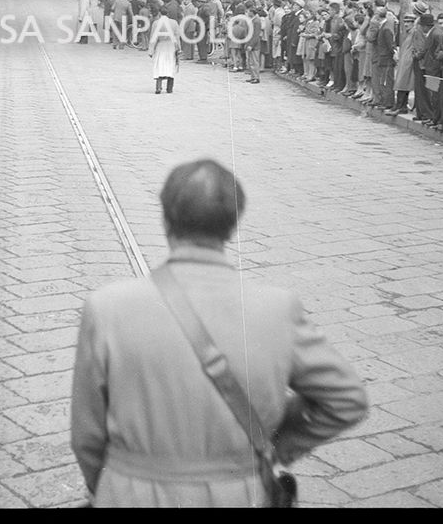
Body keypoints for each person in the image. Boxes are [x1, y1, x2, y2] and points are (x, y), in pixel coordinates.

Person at [70, 159, 368, 507]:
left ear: (165, 219)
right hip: (239, 493)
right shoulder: (277, 309)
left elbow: (86, 436)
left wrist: (113, 483)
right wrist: (271, 448)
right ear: (232, 225)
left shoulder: (106, 307)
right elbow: (346, 398)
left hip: (131, 494)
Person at [149, 6, 181, 94]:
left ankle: (158, 87)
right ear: (168, 13)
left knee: (160, 65)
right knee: (170, 65)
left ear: (160, 13)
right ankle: (169, 88)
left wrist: (151, 50)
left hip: (161, 45)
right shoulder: (174, 23)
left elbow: (153, 37)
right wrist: (178, 48)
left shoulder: (156, 23)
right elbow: (177, 37)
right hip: (171, 46)